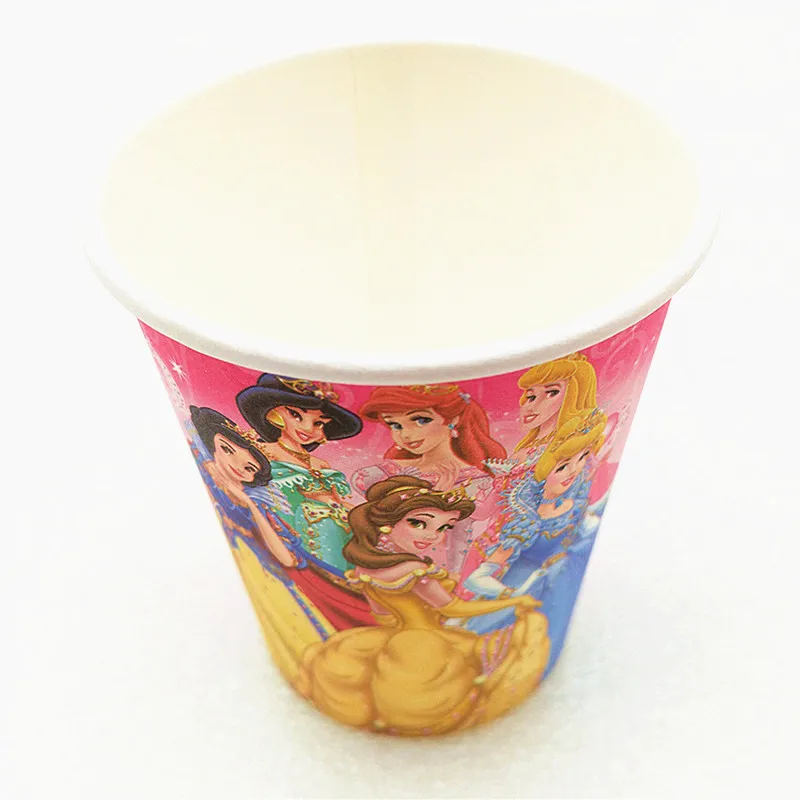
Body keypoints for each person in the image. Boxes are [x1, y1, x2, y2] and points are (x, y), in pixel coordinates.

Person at [296, 477, 550, 735]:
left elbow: (382, 616)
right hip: (429, 641)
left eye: (444, 528)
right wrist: (514, 600)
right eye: (418, 523)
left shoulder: (365, 569)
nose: (433, 536)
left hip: (396, 637)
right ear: (386, 523)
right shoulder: (414, 570)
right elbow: (453, 609)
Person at [189, 406, 336, 683]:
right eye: (226, 449)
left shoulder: (258, 505)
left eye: (249, 468)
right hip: (261, 570)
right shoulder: (211, 469)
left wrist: (250, 505)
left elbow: (287, 558)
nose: (235, 465)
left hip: (278, 574)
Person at [459, 409, 607, 668]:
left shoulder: (575, 501)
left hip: (560, 585)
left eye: (582, 457)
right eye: (562, 467)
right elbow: (476, 579)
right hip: (526, 586)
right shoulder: (526, 522)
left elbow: (588, 519)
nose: (574, 471)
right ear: (543, 475)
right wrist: (512, 592)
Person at [353, 384, 506, 574]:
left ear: (454, 419)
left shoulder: (477, 483)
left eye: (421, 420)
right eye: (395, 425)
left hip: (441, 572)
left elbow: (463, 539)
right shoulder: (380, 473)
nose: (406, 434)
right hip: (376, 567)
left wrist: (441, 500)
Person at [236, 374, 363, 574]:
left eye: (319, 423)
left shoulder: (320, 464)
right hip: (305, 527)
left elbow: (336, 500)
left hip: (342, 523)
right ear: (274, 414)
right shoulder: (265, 453)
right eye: (296, 415)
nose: (307, 428)